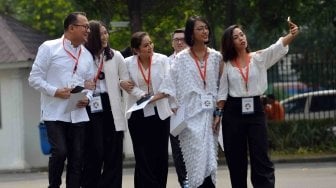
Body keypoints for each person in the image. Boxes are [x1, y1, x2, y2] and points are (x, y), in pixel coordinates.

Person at [214, 19, 299, 188]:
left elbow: (277, 47)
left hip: (255, 109)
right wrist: (217, 114)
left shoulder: (258, 58)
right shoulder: (226, 64)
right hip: (233, 111)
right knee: (236, 158)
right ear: (230, 42)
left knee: (260, 155)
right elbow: (222, 92)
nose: (241, 38)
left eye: (242, 34)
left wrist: (293, 34)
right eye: (236, 37)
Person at [28, 12, 94, 188]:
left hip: (77, 113)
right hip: (54, 113)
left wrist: (87, 97)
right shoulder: (49, 48)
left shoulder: (87, 55)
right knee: (60, 152)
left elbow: (90, 85)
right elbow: (34, 78)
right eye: (85, 27)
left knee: (77, 158)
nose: (88, 30)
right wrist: (55, 91)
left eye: (88, 27)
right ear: (71, 28)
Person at [160, 16, 222, 188]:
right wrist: (151, 99)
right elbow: (169, 85)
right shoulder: (181, 59)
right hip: (190, 119)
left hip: (210, 117)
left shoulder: (217, 57)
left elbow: (222, 87)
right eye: (200, 29)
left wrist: (219, 112)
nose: (205, 31)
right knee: (195, 163)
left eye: (206, 28)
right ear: (191, 33)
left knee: (210, 161)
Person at [81, 20, 133, 188]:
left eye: (106, 32)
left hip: (111, 106)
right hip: (90, 105)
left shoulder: (115, 56)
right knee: (95, 151)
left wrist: (122, 83)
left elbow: (125, 78)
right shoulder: (83, 57)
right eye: (100, 33)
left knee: (114, 153)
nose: (105, 36)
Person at [124, 31, 174, 188]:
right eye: (145, 45)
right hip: (137, 114)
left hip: (160, 113)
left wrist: (150, 99)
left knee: (159, 155)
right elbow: (126, 84)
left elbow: (168, 85)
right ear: (136, 50)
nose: (150, 47)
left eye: (151, 43)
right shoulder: (127, 63)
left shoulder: (162, 60)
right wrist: (143, 96)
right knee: (142, 156)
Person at [168, 28, 189, 188]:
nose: (180, 42)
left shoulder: (196, 60)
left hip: (195, 112)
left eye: (182, 39)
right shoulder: (165, 62)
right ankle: (184, 182)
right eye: (176, 39)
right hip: (174, 113)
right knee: (178, 151)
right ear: (172, 43)